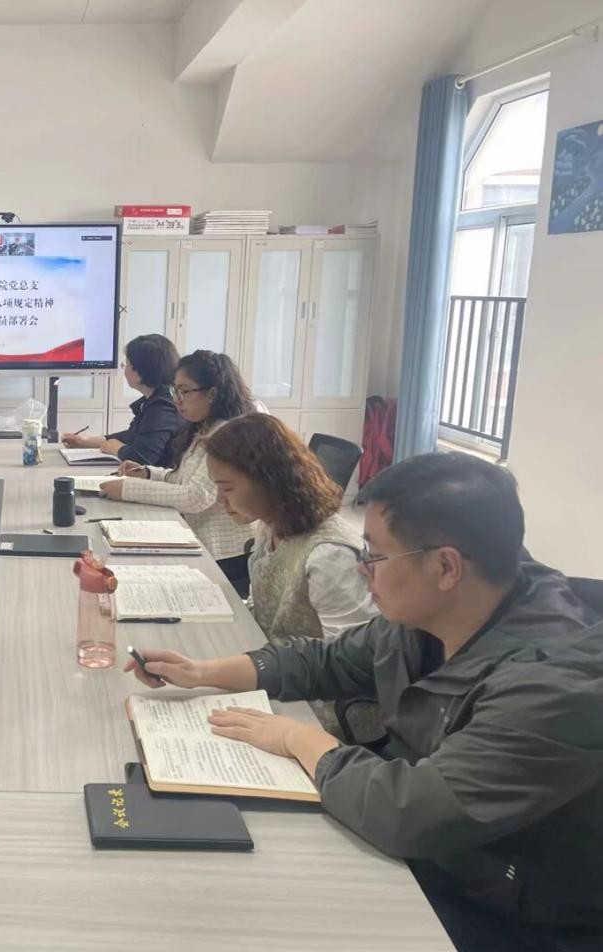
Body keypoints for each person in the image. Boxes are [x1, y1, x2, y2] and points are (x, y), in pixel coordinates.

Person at [127, 453, 603, 950]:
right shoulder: (434, 612)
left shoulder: (555, 686)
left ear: (446, 567)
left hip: (510, 912)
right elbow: (325, 661)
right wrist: (202, 672)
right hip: (432, 856)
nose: (361, 571)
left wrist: (297, 738)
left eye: (373, 556)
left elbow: (409, 812)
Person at [204, 413, 376, 734]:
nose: (220, 500)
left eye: (227, 488)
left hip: (319, 710)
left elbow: (351, 667)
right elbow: (267, 607)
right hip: (279, 673)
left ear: (268, 480)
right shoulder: (270, 524)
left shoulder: (330, 555)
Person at [100, 350, 255, 595]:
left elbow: (196, 497)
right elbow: (181, 479)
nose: (177, 400)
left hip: (225, 556)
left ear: (212, 394)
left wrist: (128, 489)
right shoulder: (204, 428)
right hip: (197, 541)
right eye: (175, 391)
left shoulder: (227, 434)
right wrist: (147, 473)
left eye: (184, 392)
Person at [60, 334, 181, 466]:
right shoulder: (155, 400)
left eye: (127, 363)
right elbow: (131, 436)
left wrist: (116, 448)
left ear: (139, 374)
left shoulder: (162, 407)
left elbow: (142, 458)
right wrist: (84, 442)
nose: (123, 366)